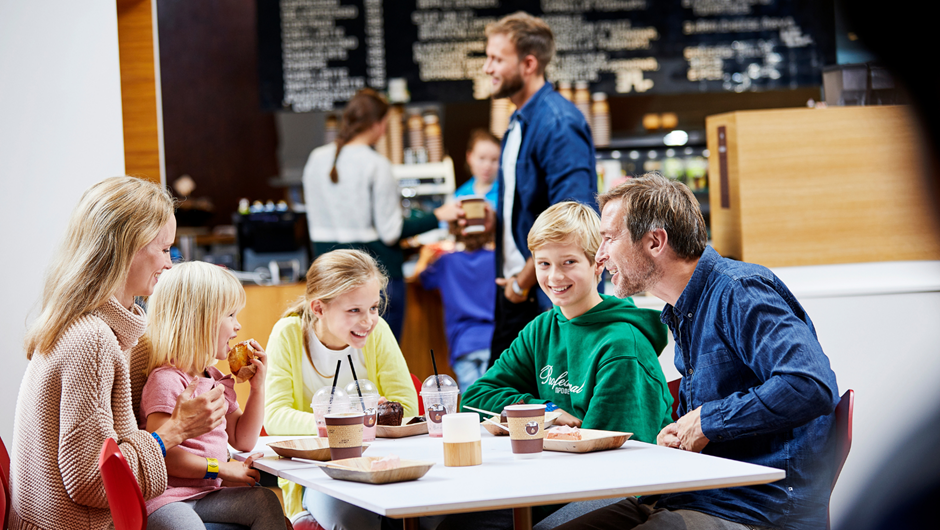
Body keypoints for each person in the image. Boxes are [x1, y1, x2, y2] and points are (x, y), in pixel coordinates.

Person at [556, 172, 841, 530]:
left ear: (655, 241)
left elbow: (810, 384)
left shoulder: (741, 291)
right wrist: (682, 432)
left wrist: (708, 421)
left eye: (609, 238)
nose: (600, 256)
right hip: (693, 494)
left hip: (754, 509)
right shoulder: (683, 310)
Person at [10, 176, 226, 530]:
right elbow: (94, 482)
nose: (170, 264)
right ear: (125, 249)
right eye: (163, 249)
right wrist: (175, 430)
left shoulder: (113, 332)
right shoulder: (92, 340)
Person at [462, 201, 672, 441]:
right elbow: (475, 401)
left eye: (569, 262)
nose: (555, 277)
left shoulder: (622, 346)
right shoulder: (540, 329)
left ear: (599, 264)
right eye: (544, 264)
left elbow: (607, 447)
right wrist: (545, 411)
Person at [264, 249, 418, 527]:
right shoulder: (287, 334)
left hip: (384, 464)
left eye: (373, 307)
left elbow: (407, 407)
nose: (369, 320)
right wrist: (353, 420)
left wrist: (370, 416)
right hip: (317, 474)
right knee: (354, 521)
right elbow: (275, 416)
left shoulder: (378, 331)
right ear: (319, 308)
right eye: (354, 310)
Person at [481, 12, 598, 367]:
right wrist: (494, 221)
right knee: (495, 402)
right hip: (519, 291)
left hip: (544, 293)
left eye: (497, 59)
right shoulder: (517, 120)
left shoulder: (559, 123)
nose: (487, 68)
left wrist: (523, 282)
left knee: (546, 412)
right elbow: (527, 205)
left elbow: (573, 222)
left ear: (529, 63)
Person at [302, 88, 459, 341]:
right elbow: (390, 232)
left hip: (328, 281)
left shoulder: (316, 159)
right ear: (378, 124)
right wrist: (438, 215)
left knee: (337, 360)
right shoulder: (376, 165)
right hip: (375, 279)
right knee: (380, 364)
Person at [139, 261, 285, 529]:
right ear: (199, 319)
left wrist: (257, 388)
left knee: (265, 502)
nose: (238, 326)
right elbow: (163, 456)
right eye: (230, 315)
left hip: (208, 494)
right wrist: (221, 468)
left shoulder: (214, 378)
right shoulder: (167, 380)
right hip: (167, 499)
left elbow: (243, 439)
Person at [417, 223, 496, 391]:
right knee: (493, 400)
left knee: (470, 402)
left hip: (462, 342)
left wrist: (424, 257)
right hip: (493, 339)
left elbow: (421, 278)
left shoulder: (446, 261)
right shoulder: (497, 259)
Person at [454, 129, 500, 206]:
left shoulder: (505, 194)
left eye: (494, 159)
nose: (487, 166)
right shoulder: (460, 195)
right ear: (469, 157)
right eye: (482, 158)